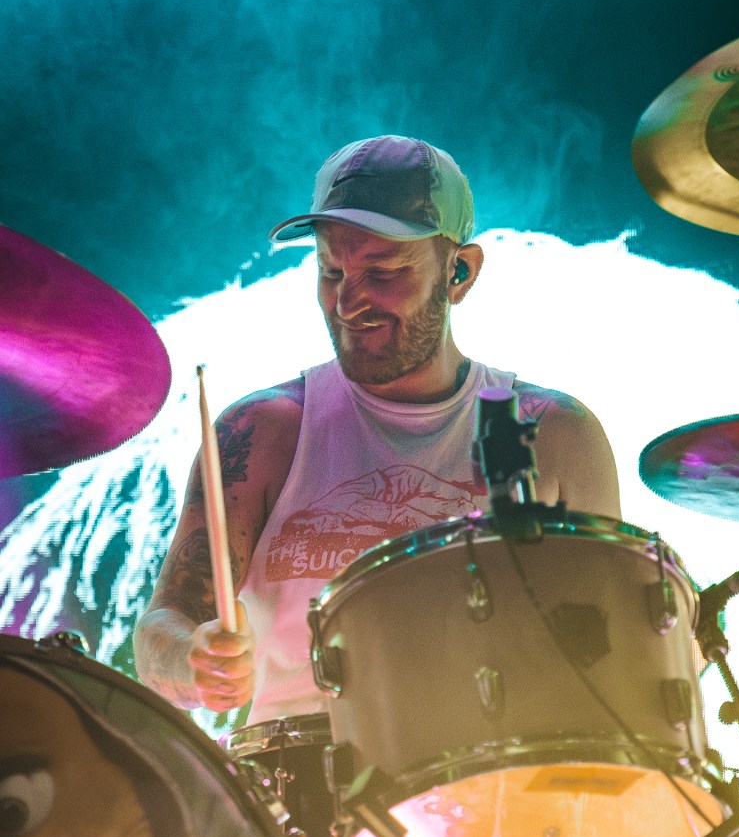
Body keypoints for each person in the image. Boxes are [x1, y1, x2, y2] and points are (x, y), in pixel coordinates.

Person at [133, 133, 621, 719]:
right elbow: (164, 624)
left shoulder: (556, 434)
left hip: (501, 766)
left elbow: (615, 647)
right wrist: (191, 659)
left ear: (460, 272)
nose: (347, 303)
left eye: (382, 271)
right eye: (331, 271)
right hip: (292, 770)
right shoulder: (263, 432)